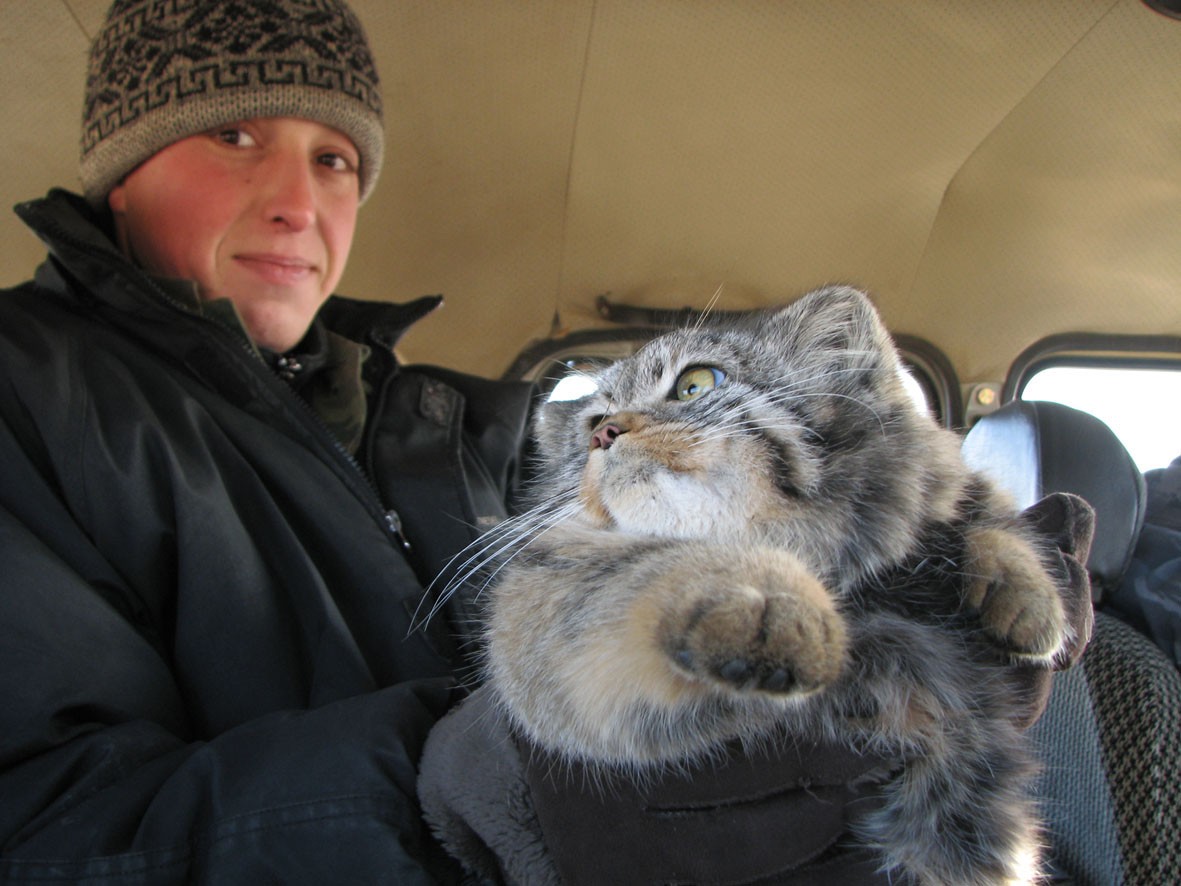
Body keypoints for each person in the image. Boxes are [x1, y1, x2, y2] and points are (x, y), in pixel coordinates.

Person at [0, 2, 1090, 883]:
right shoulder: (25, 392)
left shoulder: (440, 414)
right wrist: (461, 800)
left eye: (335, 158)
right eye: (234, 136)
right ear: (122, 166)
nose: (297, 200)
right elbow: (41, 832)